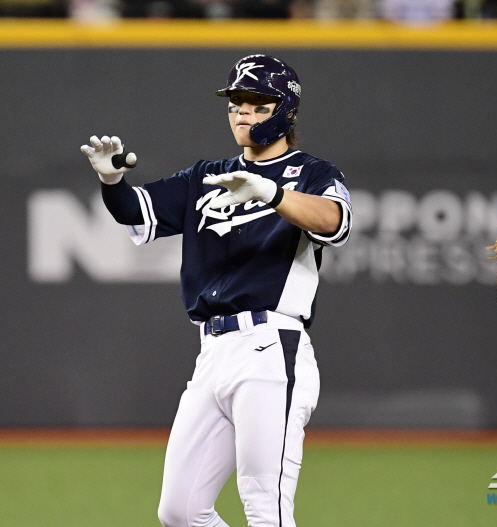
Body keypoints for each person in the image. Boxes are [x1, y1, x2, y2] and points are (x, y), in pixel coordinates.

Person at [80, 54, 352, 527]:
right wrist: (110, 179)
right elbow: (135, 209)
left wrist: (271, 193)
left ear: (285, 110)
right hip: (213, 353)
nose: (242, 113)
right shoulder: (206, 175)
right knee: (180, 510)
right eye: (235, 103)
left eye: (257, 103)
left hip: (271, 346)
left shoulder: (312, 173)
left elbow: (335, 222)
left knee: (267, 509)